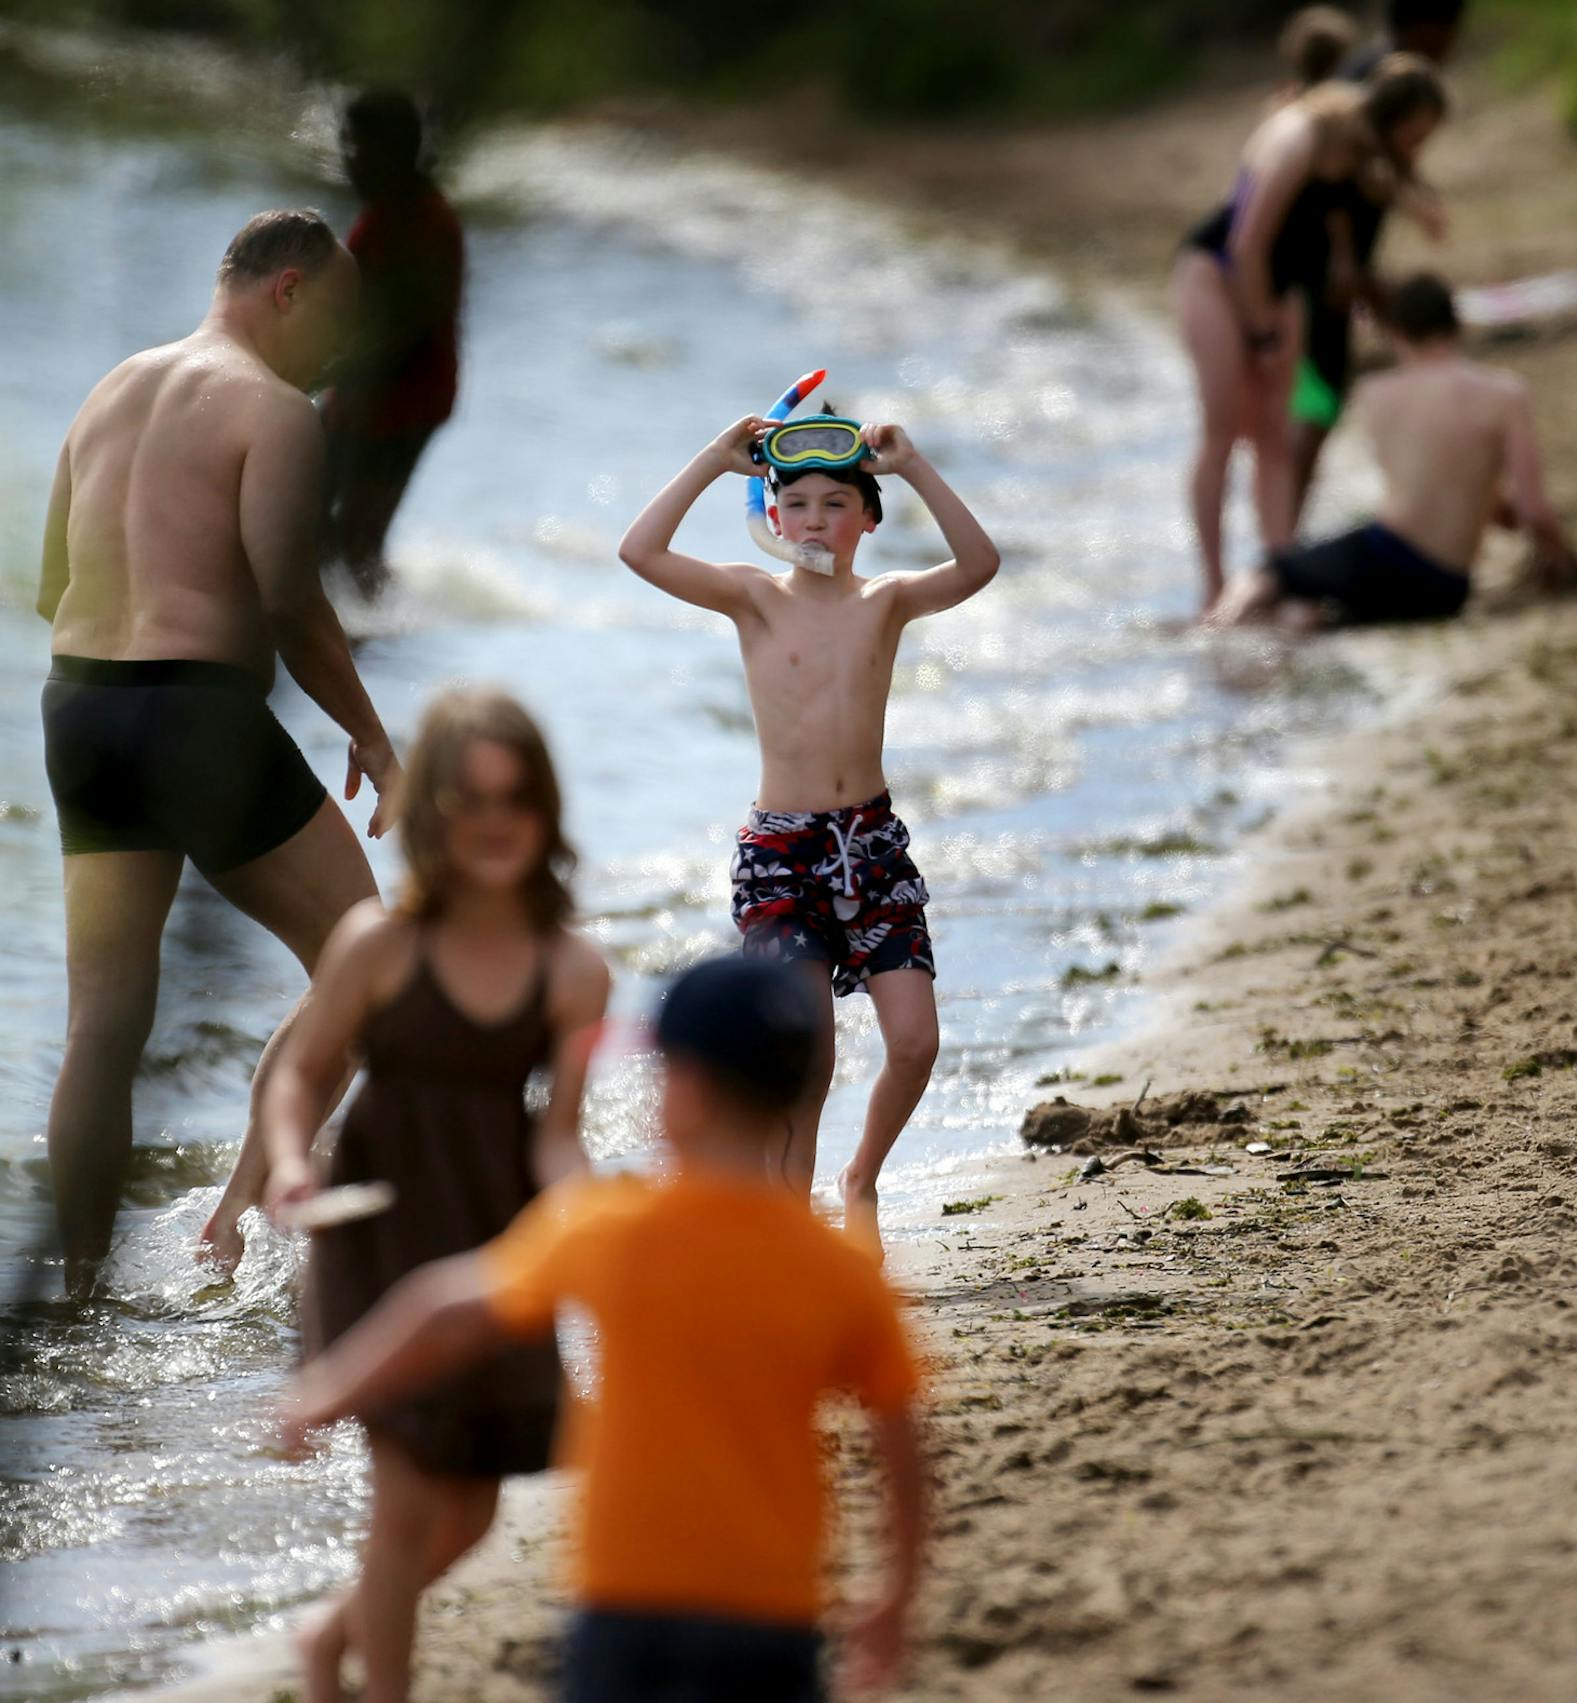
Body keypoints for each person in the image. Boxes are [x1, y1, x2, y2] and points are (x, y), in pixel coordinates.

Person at [279, 955, 929, 1703]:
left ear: (679, 1094)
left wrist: (329, 1390)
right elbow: (902, 1442)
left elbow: (445, 1310)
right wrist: (898, 1587)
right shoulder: (840, 1268)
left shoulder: (610, 1226)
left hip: (625, 1597)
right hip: (775, 1607)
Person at [35, 208, 402, 1296]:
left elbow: (54, 581)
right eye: (333, 319)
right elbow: (289, 595)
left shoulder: (111, 387)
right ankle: (244, 1213)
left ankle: (81, 1289)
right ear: (285, 290)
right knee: (365, 952)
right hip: (196, 714)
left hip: (82, 711)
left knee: (103, 1022)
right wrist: (373, 732)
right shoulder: (275, 410)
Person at [258, 687, 610, 1703]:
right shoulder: (378, 943)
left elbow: (558, 1133)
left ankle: (331, 1636)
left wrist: (584, 1227)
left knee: (473, 1512)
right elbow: (299, 1070)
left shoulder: (573, 969)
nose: (494, 822)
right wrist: (288, 1160)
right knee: (408, 1501)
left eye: (516, 799)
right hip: (373, 1233)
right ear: (432, 816)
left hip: (493, 1241)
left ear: (543, 810)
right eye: (469, 800)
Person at [617, 407, 998, 1252]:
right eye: (799, 504)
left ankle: (860, 1175)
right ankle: (788, 1242)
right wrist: (713, 459)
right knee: (806, 1061)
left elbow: (980, 564)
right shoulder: (751, 597)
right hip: (781, 855)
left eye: (837, 502)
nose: (817, 519)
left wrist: (916, 464)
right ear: (772, 517)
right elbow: (638, 551)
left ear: (869, 516)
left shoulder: (886, 600)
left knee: (916, 1039)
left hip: (871, 844)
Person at [1174, 55, 1449, 616]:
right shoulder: (1301, 136)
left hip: (1279, 291)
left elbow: (1389, 198)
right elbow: (1247, 243)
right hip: (1216, 275)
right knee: (1223, 430)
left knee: (1276, 436)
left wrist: (1422, 211)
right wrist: (1261, 336)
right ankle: (1213, 586)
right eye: (1416, 136)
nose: (1417, 150)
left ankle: (1282, 575)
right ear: (1387, 119)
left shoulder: (1361, 154)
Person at [1215, 273, 1577, 630]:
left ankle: (1212, 628)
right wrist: (1560, 557)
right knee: (1312, 614)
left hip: (1390, 551)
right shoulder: (1505, 394)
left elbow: (1427, 478)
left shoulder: (1376, 394)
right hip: (1444, 588)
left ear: (1395, 334)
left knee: (1268, 574)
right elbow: (1531, 508)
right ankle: (1280, 632)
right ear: (1456, 327)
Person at [1292, 0, 1471, 521]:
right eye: (1448, 35)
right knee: (1320, 401)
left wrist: (1417, 198)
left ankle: (1287, 529)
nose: (1450, 49)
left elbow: (1382, 164)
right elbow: (1332, 176)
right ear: (1426, 26)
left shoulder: (1376, 75)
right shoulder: (1377, 80)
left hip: (1335, 269)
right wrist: (1348, 264)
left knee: (1324, 397)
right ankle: (1283, 539)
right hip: (1326, 271)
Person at [320, 89, 465, 599]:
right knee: (300, 515)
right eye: (346, 144)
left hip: (403, 403)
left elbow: (402, 334)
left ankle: (371, 648)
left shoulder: (424, 223)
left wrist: (312, 374)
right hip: (361, 394)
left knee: (359, 541)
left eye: (360, 147)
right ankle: (326, 631)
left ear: (399, 149)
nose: (349, 159)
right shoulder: (386, 211)